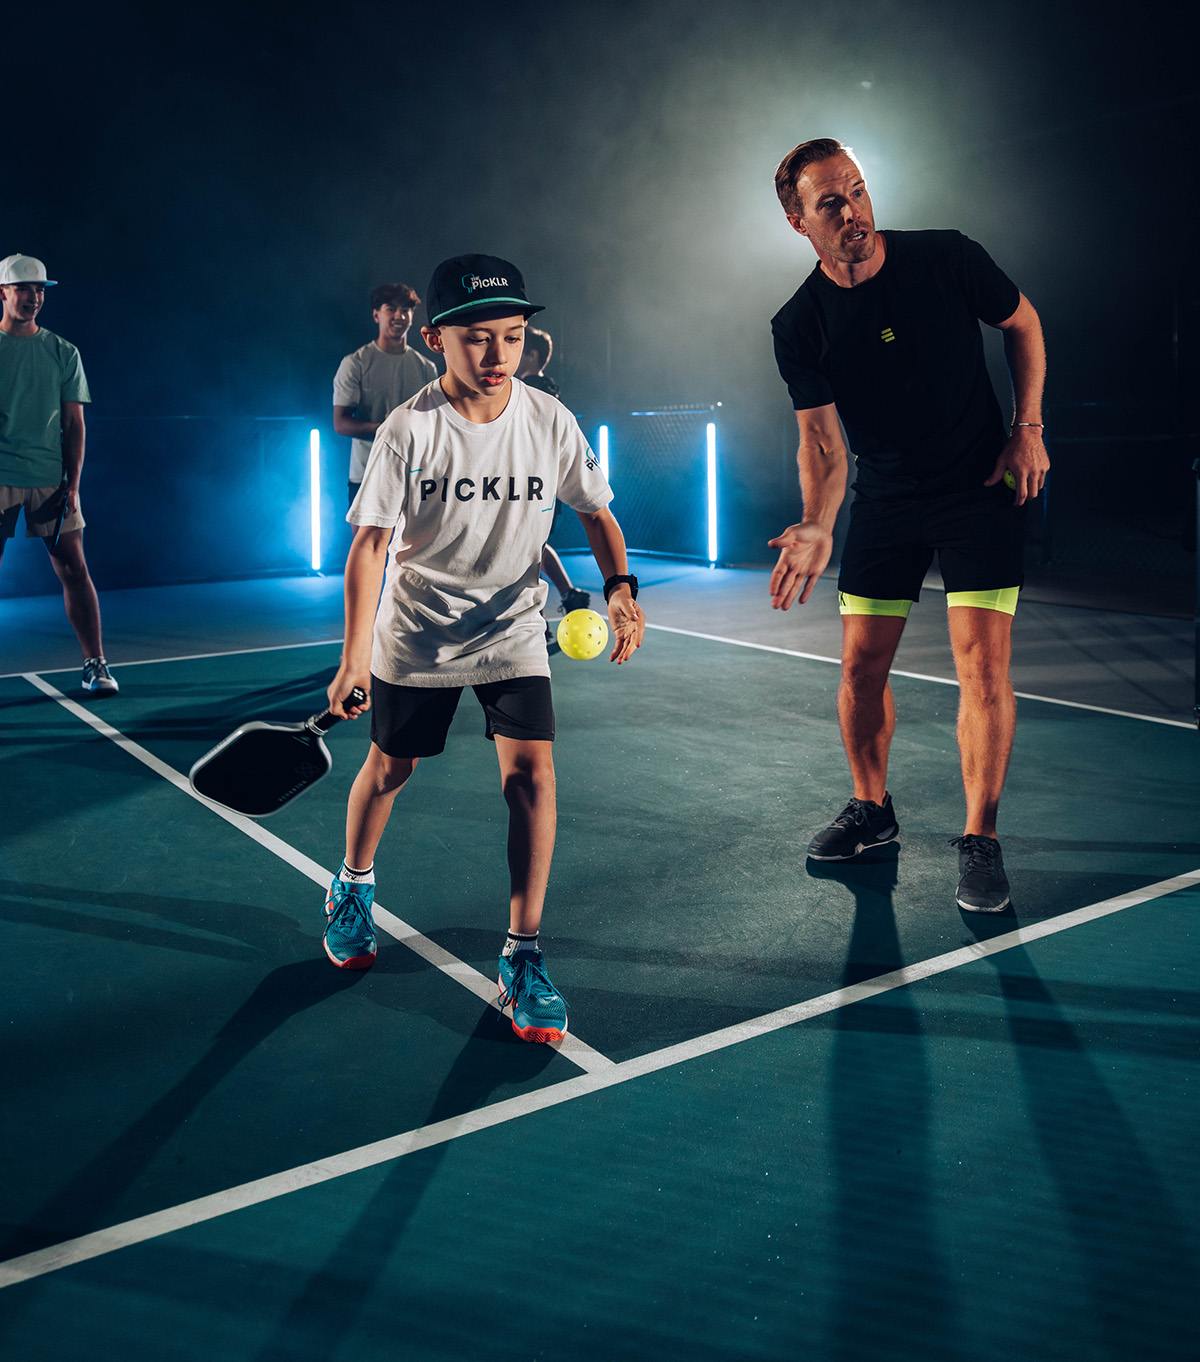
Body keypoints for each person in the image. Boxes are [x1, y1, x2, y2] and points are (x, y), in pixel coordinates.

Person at [321, 253, 646, 1045]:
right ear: (437, 341)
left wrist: (622, 586)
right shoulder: (411, 429)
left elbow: (596, 513)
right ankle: (353, 886)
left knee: (532, 777)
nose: (498, 354)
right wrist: (352, 657)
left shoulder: (549, 420)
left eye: (512, 335)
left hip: (511, 629)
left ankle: (524, 953)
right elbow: (368, 548)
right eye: (478, 339)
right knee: (392, 767)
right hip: (419, 632)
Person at [767, 138, 1048, 913]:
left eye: (856, 191)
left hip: (977, 487)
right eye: (830, 202)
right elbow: (821, 440)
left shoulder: (948, 258)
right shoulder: (799, 323)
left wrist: (1028, 425)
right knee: (860, 672)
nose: (852, 211)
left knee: (982, 668)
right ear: (799, 221)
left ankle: (981, 839)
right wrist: (818, 522)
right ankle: (873, 812)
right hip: (887, 500)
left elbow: (1022, 323)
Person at [0, 253, 117, 693]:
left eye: (39, 290)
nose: (33, 298)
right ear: (3, 293)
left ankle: (96, 664)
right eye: (24, 289)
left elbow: (74, 424)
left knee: (74, 569)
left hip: (50, 479)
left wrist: (74, 484)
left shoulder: (62, 351)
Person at [333, 281, 438, 512]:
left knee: (411, 549)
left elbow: (433, 425)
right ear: (376, 315)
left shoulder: (426, 367)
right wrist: (386, 427)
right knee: (368, 547)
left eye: (406, 310)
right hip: (367, 474)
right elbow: (341, 423)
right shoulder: (355, 364)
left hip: (415, 476)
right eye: (391, 309)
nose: (399, 316)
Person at [515, 326, 590, 641]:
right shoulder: (551, 388)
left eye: (516, 346)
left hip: (528, 482)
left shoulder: (527, 389)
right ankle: (569, 595)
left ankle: (538, 620)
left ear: (531, 355)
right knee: (537, 546)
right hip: (546, 483)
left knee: (524, 552)